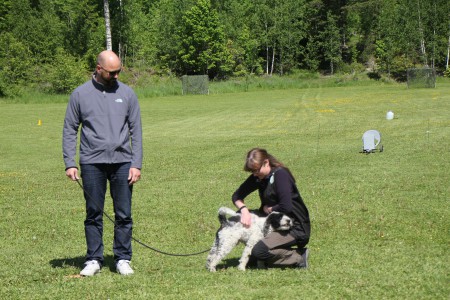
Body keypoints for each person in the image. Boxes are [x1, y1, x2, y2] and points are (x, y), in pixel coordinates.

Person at [62, 50, 143, 276]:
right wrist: (70, 162)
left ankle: (123, 258)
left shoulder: (127, 94)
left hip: (122, 163)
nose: (117, 75)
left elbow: (136, 130)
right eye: (112, 72)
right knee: (93, 213)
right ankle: (94, 259)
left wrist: (136, 163)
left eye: (119, 71)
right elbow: (70, 128)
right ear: (99, 69)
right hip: (91, 163)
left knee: (124, 214)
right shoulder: (79, 94)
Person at [232, 148, 310, 269]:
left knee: (259, 251)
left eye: (256, 170)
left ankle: (299, 257)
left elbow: (286, 206)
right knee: (238, 217)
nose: (254, 174)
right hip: (272, 222)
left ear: (266, 163)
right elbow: (237, 196)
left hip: (293, 226)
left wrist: (269, 209)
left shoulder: (281, 175)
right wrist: (244, 210)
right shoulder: (258, 177)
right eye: (251, 171)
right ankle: (260, 255)